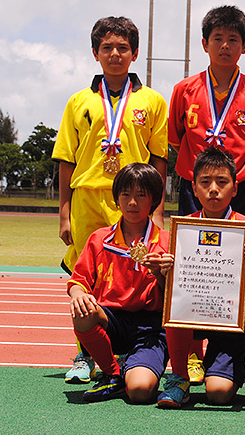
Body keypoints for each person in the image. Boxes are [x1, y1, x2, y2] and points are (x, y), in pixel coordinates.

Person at [52, 16, 168, 383]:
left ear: (134, 54)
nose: (115, 54)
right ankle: (85, 354)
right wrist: (64, 214)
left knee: (143, 273)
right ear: (95, 53)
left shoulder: (151, 100)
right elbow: (66, 161)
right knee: (85, 277)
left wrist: (160, 212)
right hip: (89, 196)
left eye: (122, 48)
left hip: (135, 197)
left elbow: (160, 158)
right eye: (107, 48)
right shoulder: (79, 101)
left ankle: (145, 344)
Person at [157, 147, 245, 408]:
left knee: (218, 394)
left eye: (222, 182)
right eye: (205, 182)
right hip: (192, 312)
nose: (213, 189)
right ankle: (179, 376)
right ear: (193, 188)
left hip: (229, 317)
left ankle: (226, 366)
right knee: (174, 304)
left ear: (235, 188)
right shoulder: (183, 228)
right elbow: (170, 289)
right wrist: (164, 271)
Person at [67, 163, 172, 403]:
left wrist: (160, 274)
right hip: (111, 320)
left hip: (150, 329)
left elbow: (175, 299)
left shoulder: (166, 241)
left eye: (141, 195)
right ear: (117, 199)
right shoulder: (99, 239)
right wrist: (77, 294)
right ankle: (112, 374)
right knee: (83, 312)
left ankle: (136, 366)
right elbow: (77, 281)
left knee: (140, 391)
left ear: (153, 199)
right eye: (126, 195)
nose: (132, 202)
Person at [169, 5, 245, 224]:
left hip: (240, 186)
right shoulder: (184, 89)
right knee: (192, 254)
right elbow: (177, 139)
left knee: (243, 252)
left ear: (244, 46)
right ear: (205, 44)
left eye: (233, 39)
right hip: (195, 187)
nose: (225, 45)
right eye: (217, 38)